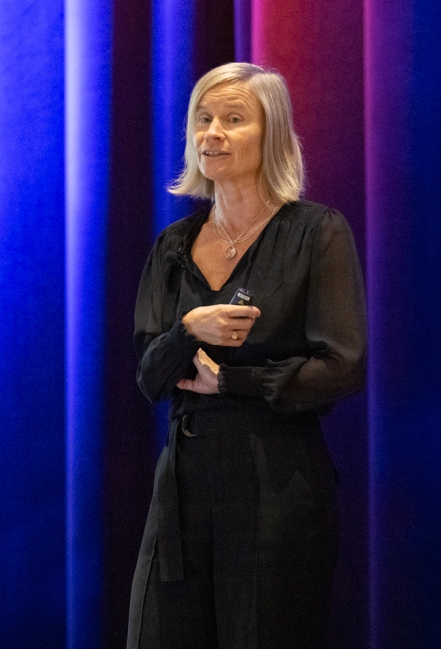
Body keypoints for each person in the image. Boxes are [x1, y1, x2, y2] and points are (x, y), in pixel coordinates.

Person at [127, 63, 367, 649]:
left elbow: (343, 366)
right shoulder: (174, 245)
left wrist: (232, 383)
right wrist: (190, 328)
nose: (212, 133)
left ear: (273, 136)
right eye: (203, 119)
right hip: (183, 491)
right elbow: (149, 376)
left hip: (274, 488)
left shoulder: (316, 233)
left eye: (234, 120)